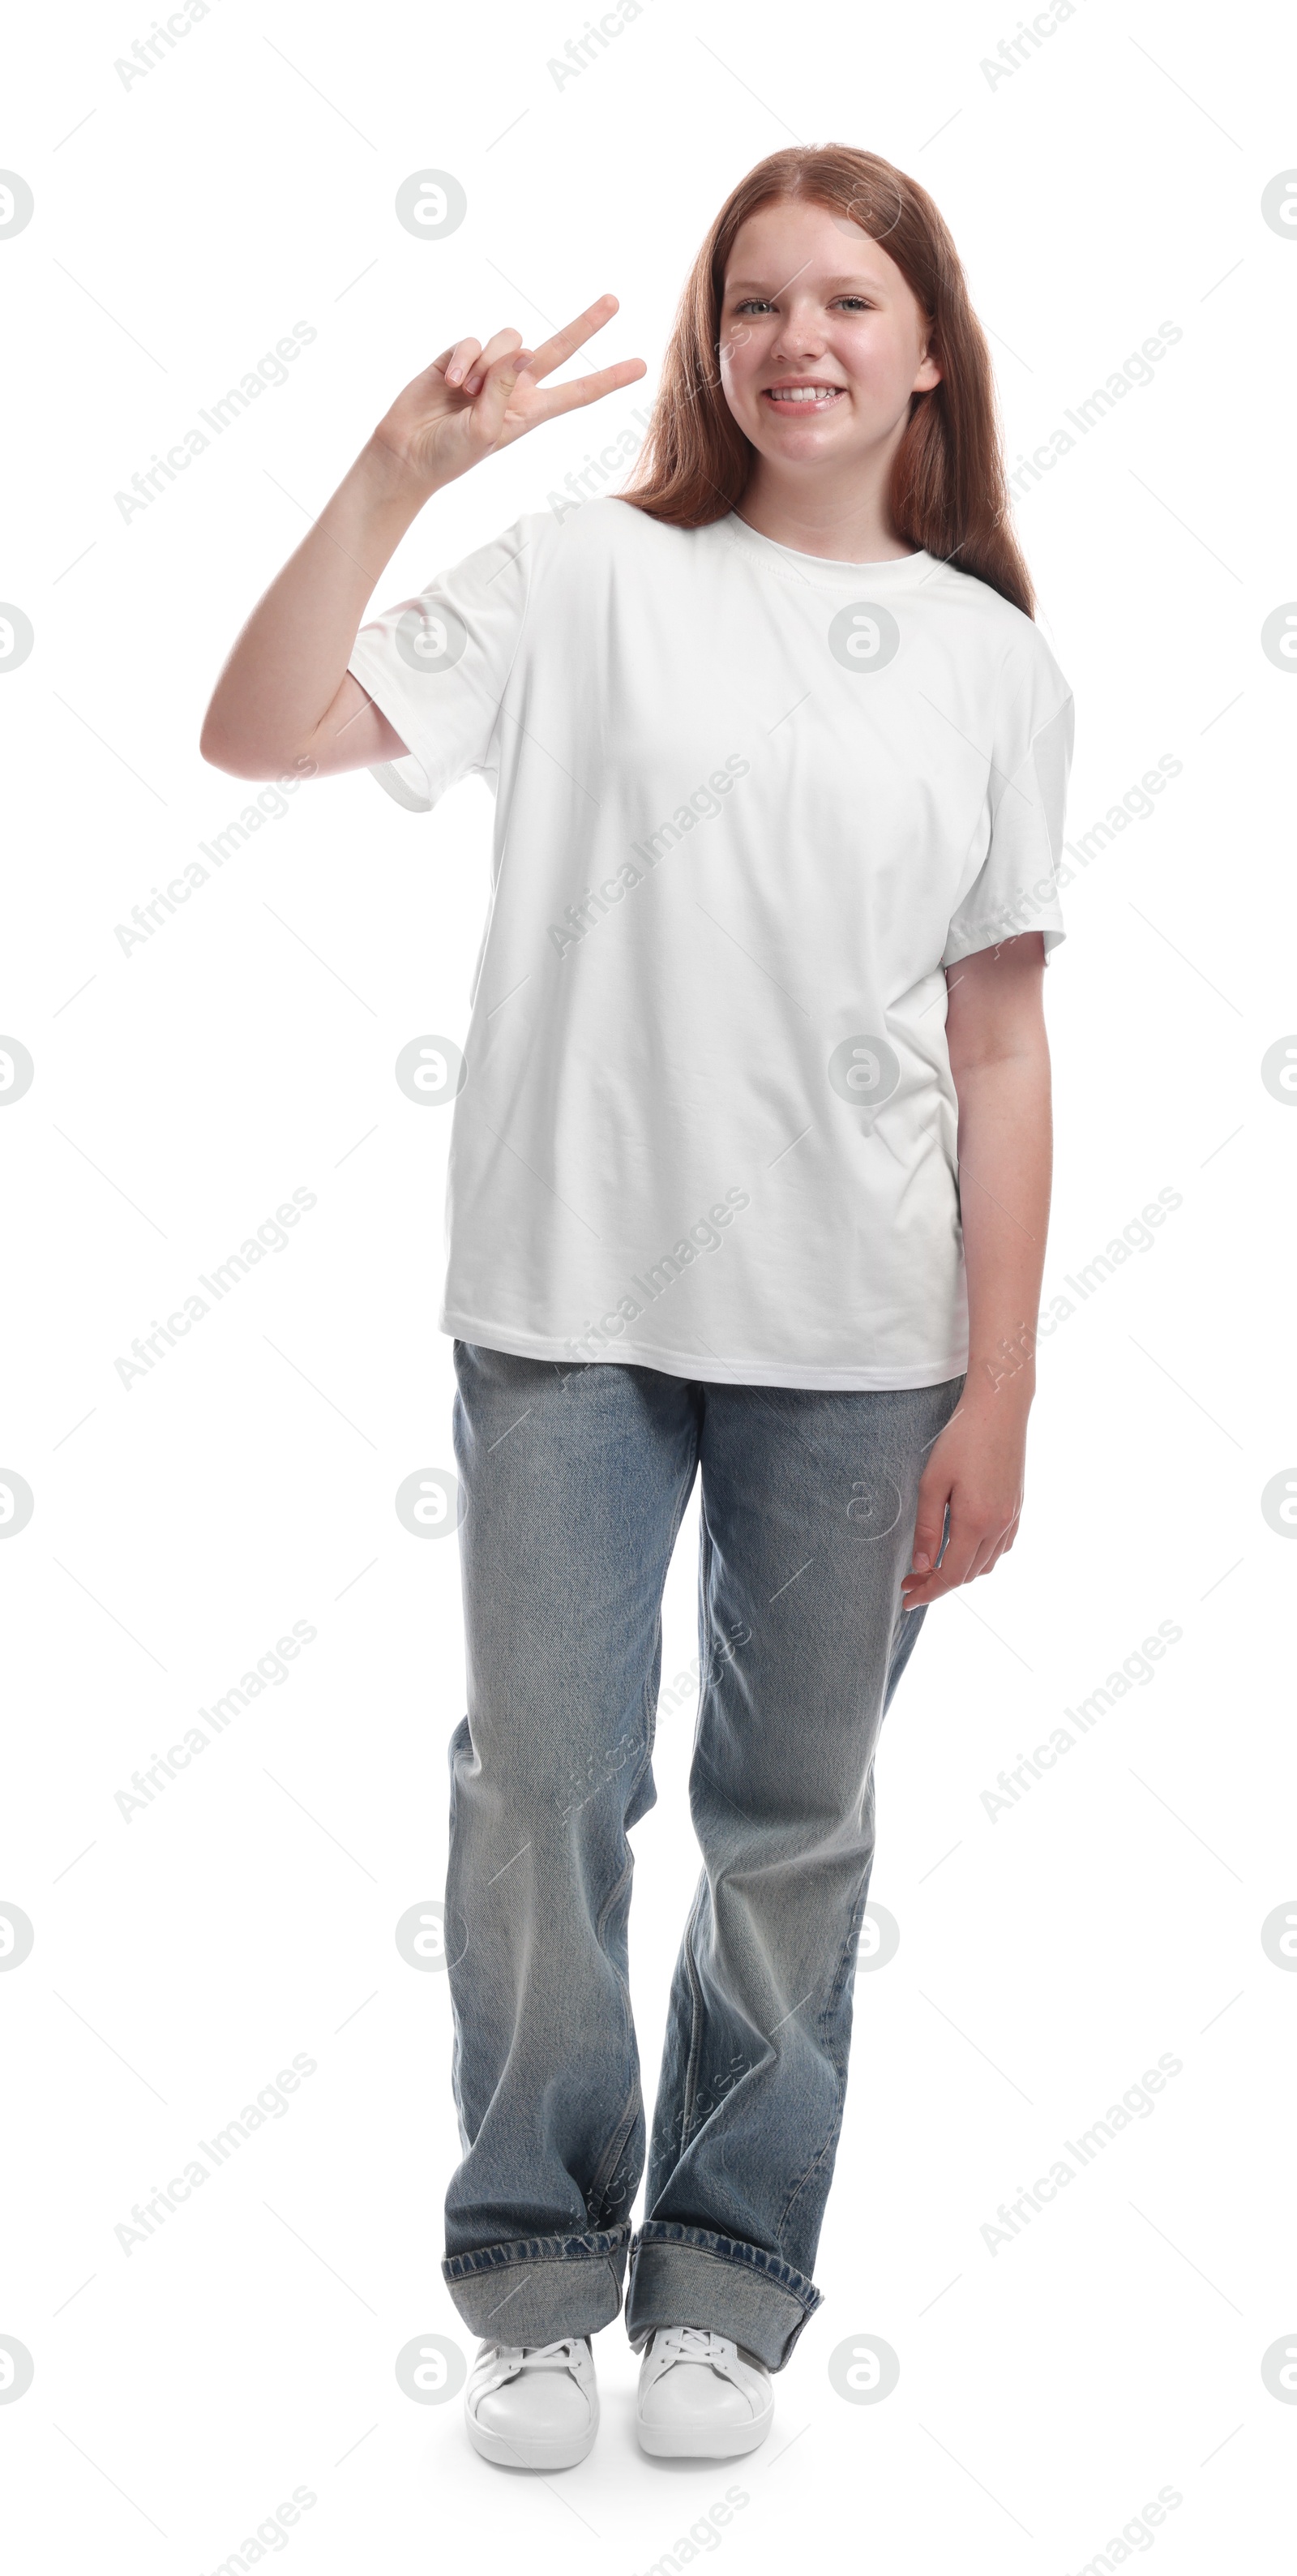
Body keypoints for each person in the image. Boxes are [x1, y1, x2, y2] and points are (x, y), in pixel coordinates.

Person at [201, 141, 1073, 2474]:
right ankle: (530, 2269)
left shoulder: (995, 662)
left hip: (864, 1340)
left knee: (793, 1819)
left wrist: (1000, 1383)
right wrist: (397, 471)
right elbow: (259, 729)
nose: (802, 339)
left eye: (850, 303)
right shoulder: (590, 576)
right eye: (759, 299)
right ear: (716, 342)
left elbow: (1000, 1044)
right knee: (545, 1794)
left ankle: (724, 2278)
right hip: (567, 1305)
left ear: (924, 351)